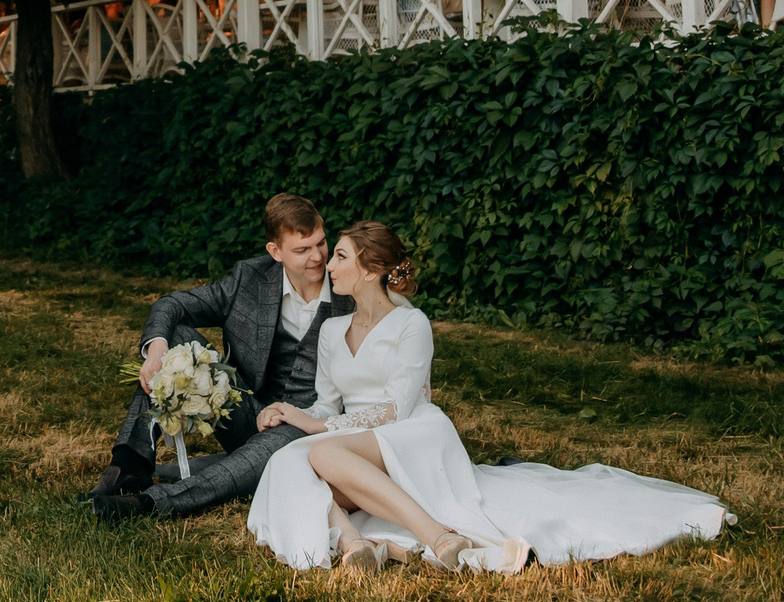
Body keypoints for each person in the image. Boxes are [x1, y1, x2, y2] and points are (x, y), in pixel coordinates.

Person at [245, 222, 732, 573]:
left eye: (340, 257)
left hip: (410, 432)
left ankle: (439, 536)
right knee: (290, 464)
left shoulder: (411, 324)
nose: (327, 265)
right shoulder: (332, 331)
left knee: (320, 453)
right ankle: (357, 546)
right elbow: (330, 408)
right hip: (355, 440)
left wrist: (318, 429)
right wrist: (297, 413)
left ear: (371, 271)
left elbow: (396, 406)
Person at [94, 194, 351, 525]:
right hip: (245, 410)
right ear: (275, 253)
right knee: (176, 334)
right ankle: (129, 465)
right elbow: (173, 304)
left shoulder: (348, 287)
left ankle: (150, 503)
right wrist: (156, 350)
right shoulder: (250, 278)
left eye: (321, 243)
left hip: (307, 425)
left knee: (257, 459)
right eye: (302, 250)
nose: (318, 257)